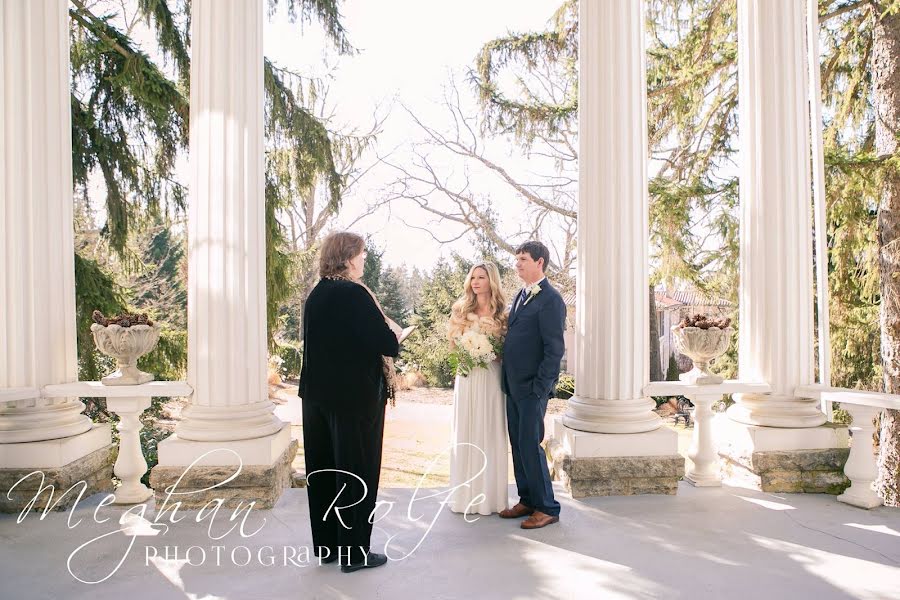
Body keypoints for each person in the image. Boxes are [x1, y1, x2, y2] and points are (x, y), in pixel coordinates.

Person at [298, 231, 400, 573]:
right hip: (354, 399)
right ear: (346, 256)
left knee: (325, 470)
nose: (365, 260)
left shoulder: (317, 294)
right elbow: (387, 343)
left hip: (316, 398)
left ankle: (328, 547)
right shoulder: (354, 294)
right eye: (362, 254)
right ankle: (355, 554)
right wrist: (395, 333)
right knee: (356, 472)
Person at [499, 240, 565, 529]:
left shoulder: (551, 299)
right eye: (517, 259)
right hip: (512, 385)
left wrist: (540, 387)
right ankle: (527, 498)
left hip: (532, 388)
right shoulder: (519, 296)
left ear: (540, 262)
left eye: (523, 259)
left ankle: (547, 507)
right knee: (518, 444)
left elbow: (554, 349)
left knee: (530, 444)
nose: (518, 264)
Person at [446, 262, 509, 515]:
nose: (475, 282)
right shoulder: (460, 310)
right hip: (467, 377)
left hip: (491, 378)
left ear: (491, 280)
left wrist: (490, 353)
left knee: (489, 430)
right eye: (473, 277)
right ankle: (463, 496)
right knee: (467, 430)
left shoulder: (503, 314)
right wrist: (468, 351)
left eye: (481, 277)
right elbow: (452, 344)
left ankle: (490, 498)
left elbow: (506, 351)